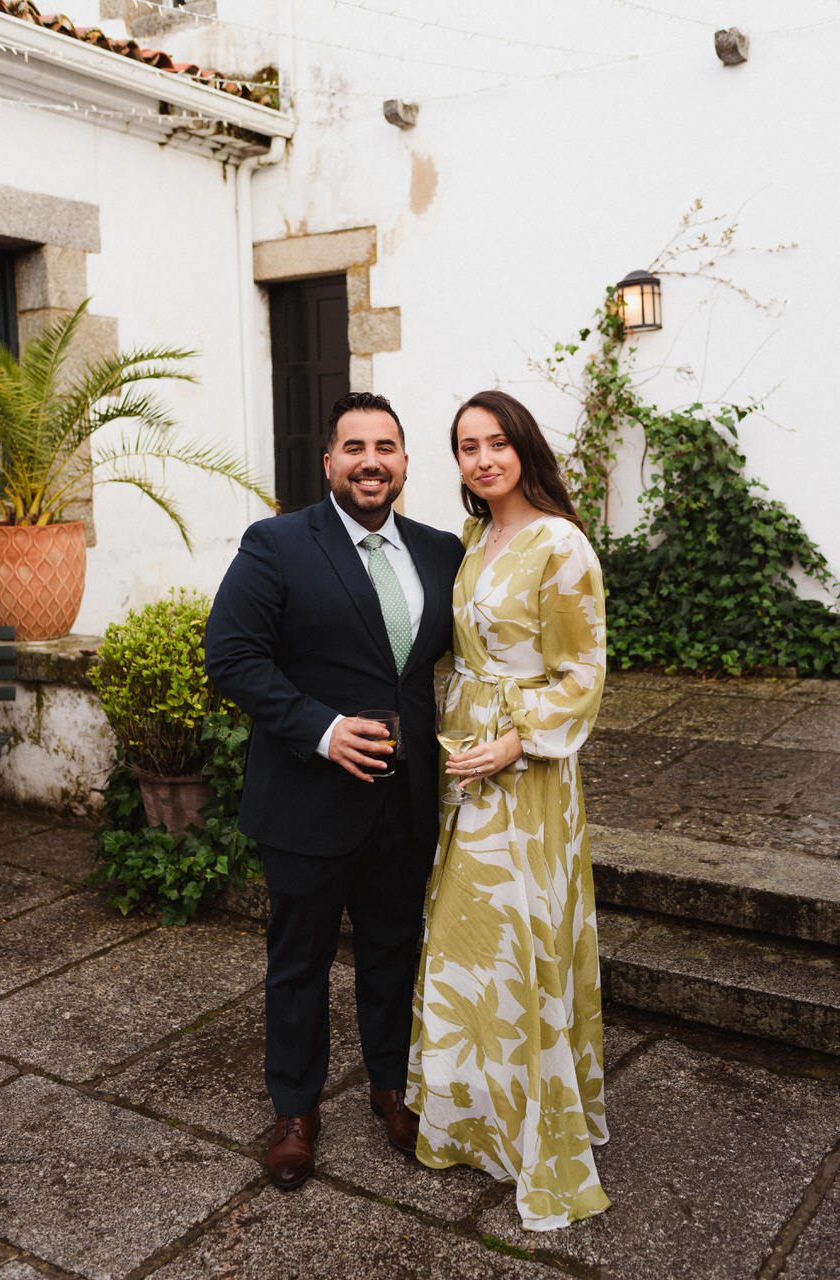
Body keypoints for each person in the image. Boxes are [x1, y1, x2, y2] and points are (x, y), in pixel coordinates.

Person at [205, 391, 464, 1191]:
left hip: (405, 801)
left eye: (385, 447)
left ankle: (392, 1089)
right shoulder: (278, 543)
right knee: (299, 963)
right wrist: (321, 729)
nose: (370, 462)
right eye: (354, 448)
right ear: (328, 463)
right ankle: (295, 1112)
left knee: (394, 952)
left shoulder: (442, 552)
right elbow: (232, 655)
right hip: (308, 801)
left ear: (405, 462)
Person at [406, 389, 611, 1231]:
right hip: (464, 761)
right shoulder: (472, 539)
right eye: (467, 447)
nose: (483, 459)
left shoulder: (561, 544)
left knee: (515, 936)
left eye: (497, 442)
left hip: (524, 773)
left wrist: (515, 743)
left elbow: (583, 670)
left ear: (524, 447)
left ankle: (536, 1126)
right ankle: (475, 1119)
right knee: (469, 939)